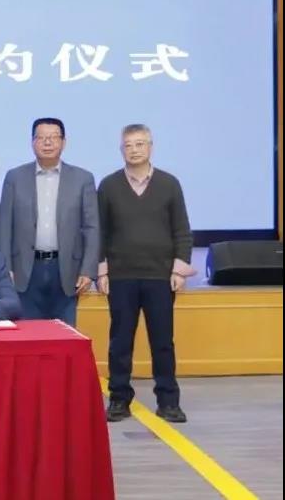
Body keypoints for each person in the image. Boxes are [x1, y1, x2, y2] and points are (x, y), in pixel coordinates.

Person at [98, 124, 193, 424]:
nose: (134, 150)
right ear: (121, 150)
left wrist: (179, 269)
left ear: (151, 146)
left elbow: (182, 230)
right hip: (121, 277)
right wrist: (102, 270)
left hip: (160, 277)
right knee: (120, 342)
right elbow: (100, 232)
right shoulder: (109, 185)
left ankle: (168, 401)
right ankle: (118, 399)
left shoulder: (169, 184)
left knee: (163, 342)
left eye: (140, 144)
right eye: (128, 145)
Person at [0, 117, 99, 326]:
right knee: (28, 334)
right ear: (32, 142)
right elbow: (4, 226)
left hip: (67, 270)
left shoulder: (83, 179)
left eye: (53, 137)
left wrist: (88, 270)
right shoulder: (14, 177)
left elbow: (91, 227)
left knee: (65, 333)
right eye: (41, 137)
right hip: (25, 270)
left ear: (64, 142)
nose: (47, 142)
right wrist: (5, 267)